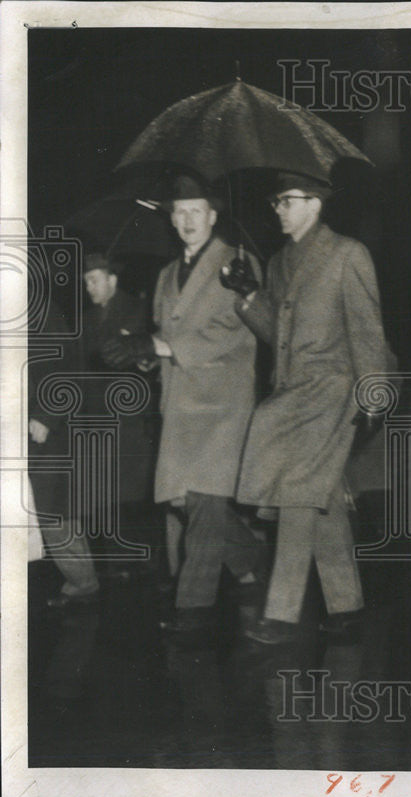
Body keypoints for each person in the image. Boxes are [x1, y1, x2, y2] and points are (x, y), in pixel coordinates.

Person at [221, 171, 392, 646]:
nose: (278, 208)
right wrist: (248, 296)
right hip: (292, 393)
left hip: (332, 391)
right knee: (322, 498)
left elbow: (366, 330)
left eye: (287, 201)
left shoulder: (346, 254)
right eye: (276, 201)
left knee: (296, 493)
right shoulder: (278, 262)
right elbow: (280, 337)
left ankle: (281, 613)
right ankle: (346, 606)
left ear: (314, 205)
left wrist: (373, 395)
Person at [102, 174, 263, 638]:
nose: (188, 220)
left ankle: (193, 610)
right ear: (171, 220)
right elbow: (163, 340)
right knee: (188, 504)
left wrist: (161, 347)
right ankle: (249, 558)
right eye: (180, 212)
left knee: (205, 506)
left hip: (221, 405)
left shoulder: (238, 263)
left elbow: (231, 332)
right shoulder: (165, 275)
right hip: (180, 404)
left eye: (197, 211)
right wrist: (140, 353)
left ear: (213, 216)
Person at [79, 253, 155, 573]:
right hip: (98, 417)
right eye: (86, 282)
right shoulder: (86, 319)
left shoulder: (138, 311)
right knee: (106, 493)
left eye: (94, 280)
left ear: (113, 280)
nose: (89, 287)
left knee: (141, 495)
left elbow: (147, 362)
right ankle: (119, 565)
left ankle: (148, 564)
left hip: (132, 418)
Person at [29, 301, 101, 608]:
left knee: (52, 509)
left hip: (44, 428)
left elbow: (66, 367)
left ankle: (82, 581)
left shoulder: (41, 312)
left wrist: (47, 415)